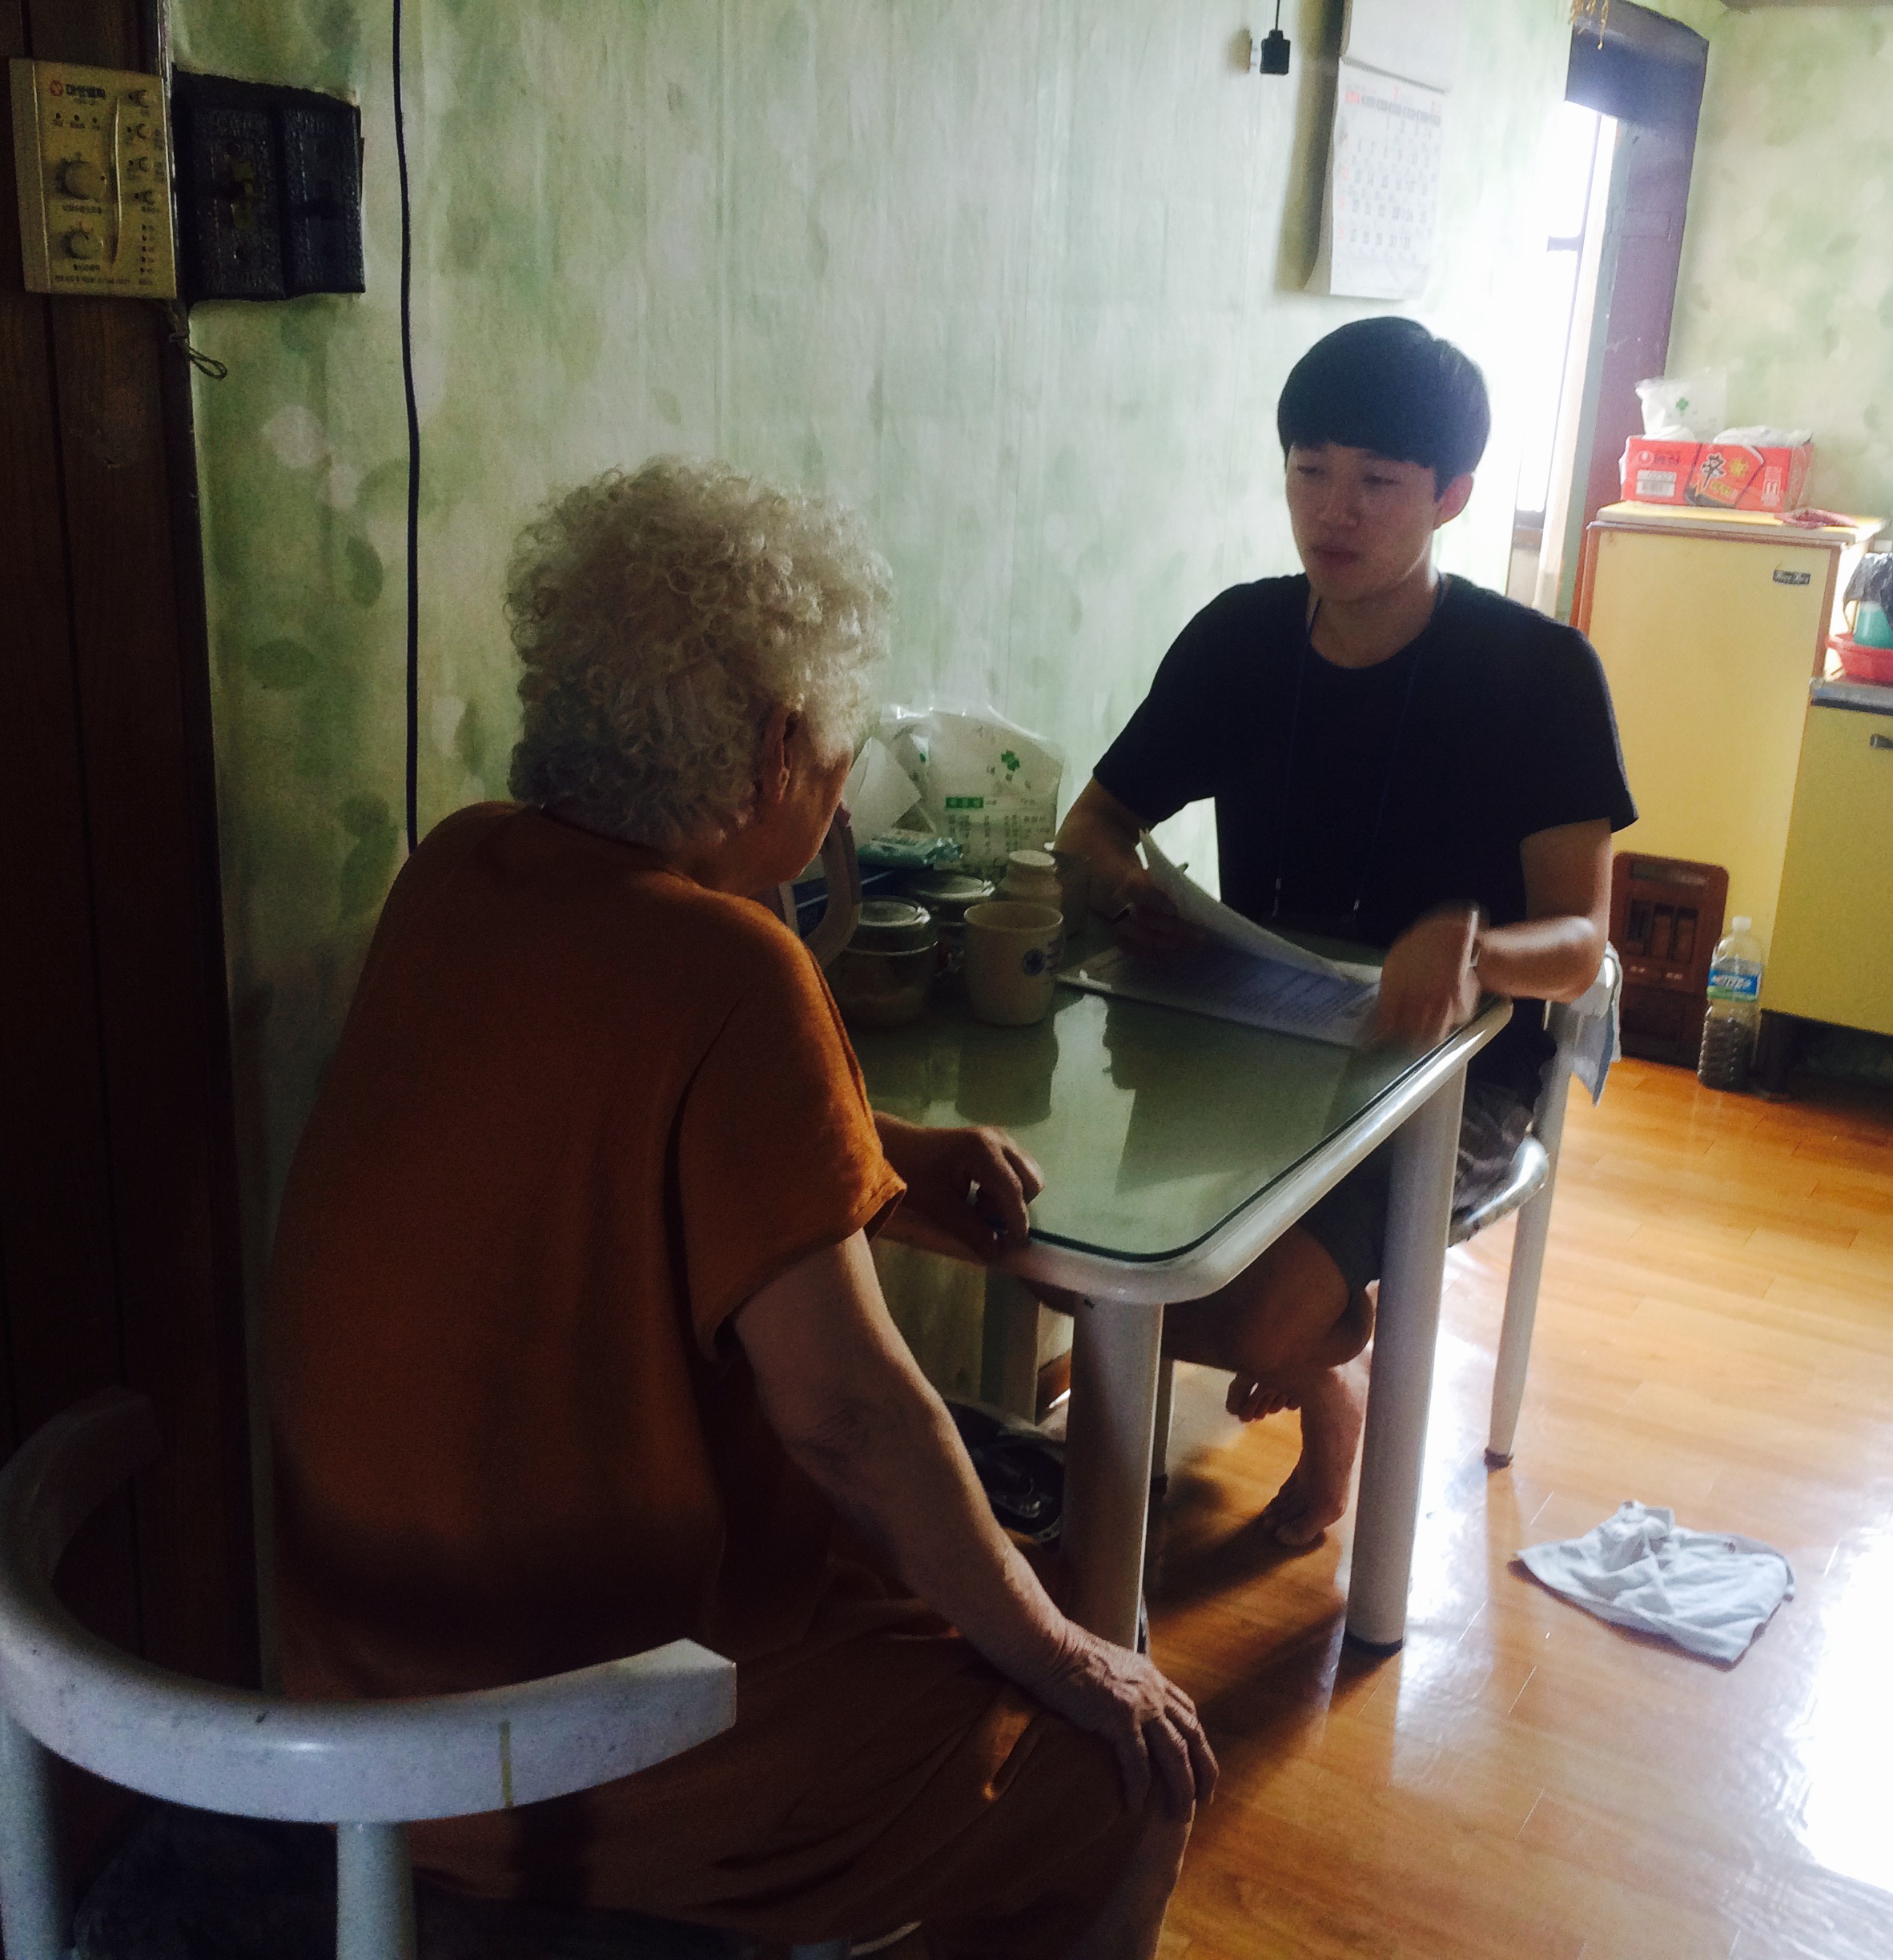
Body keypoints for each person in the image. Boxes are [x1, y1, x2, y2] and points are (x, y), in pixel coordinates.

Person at [266, 459, 1214, 1960]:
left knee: (965, 1587)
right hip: (558, 1753)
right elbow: (850, 1418)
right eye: (836, 748)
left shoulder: (457, 870)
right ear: (779, 749)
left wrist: (873, 1149)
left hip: (349, 1691)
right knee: (1122, 1764)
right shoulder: (732, 971)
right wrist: (1064, 1655)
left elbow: (590, 1119)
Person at [1056, 317, 1635, 1549]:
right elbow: (1092, 828)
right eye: (1309, 469)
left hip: (1451, 1062)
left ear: (1451, 495)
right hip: (1248, 1024)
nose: (1334, 510)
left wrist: (1474, 953)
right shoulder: (1241, 639)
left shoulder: (1538, 674)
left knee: (1245, 1318)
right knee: (1074, 1248)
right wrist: (1122, 894)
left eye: (1378, 480)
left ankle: (1326, 1376)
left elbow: (1582, 943)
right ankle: (1309, 1356)